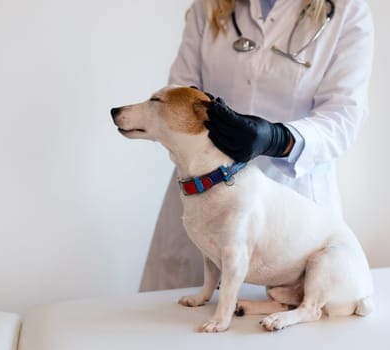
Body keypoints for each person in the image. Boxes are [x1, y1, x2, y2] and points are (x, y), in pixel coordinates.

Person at [140, 0, 374, 291]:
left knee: (276, 323)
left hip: (290, 217)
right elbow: (177, 94)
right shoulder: (210, 6)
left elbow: (342, 116)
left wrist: (277, 138)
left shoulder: (346, 11)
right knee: (171, 326)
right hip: (202, 191)